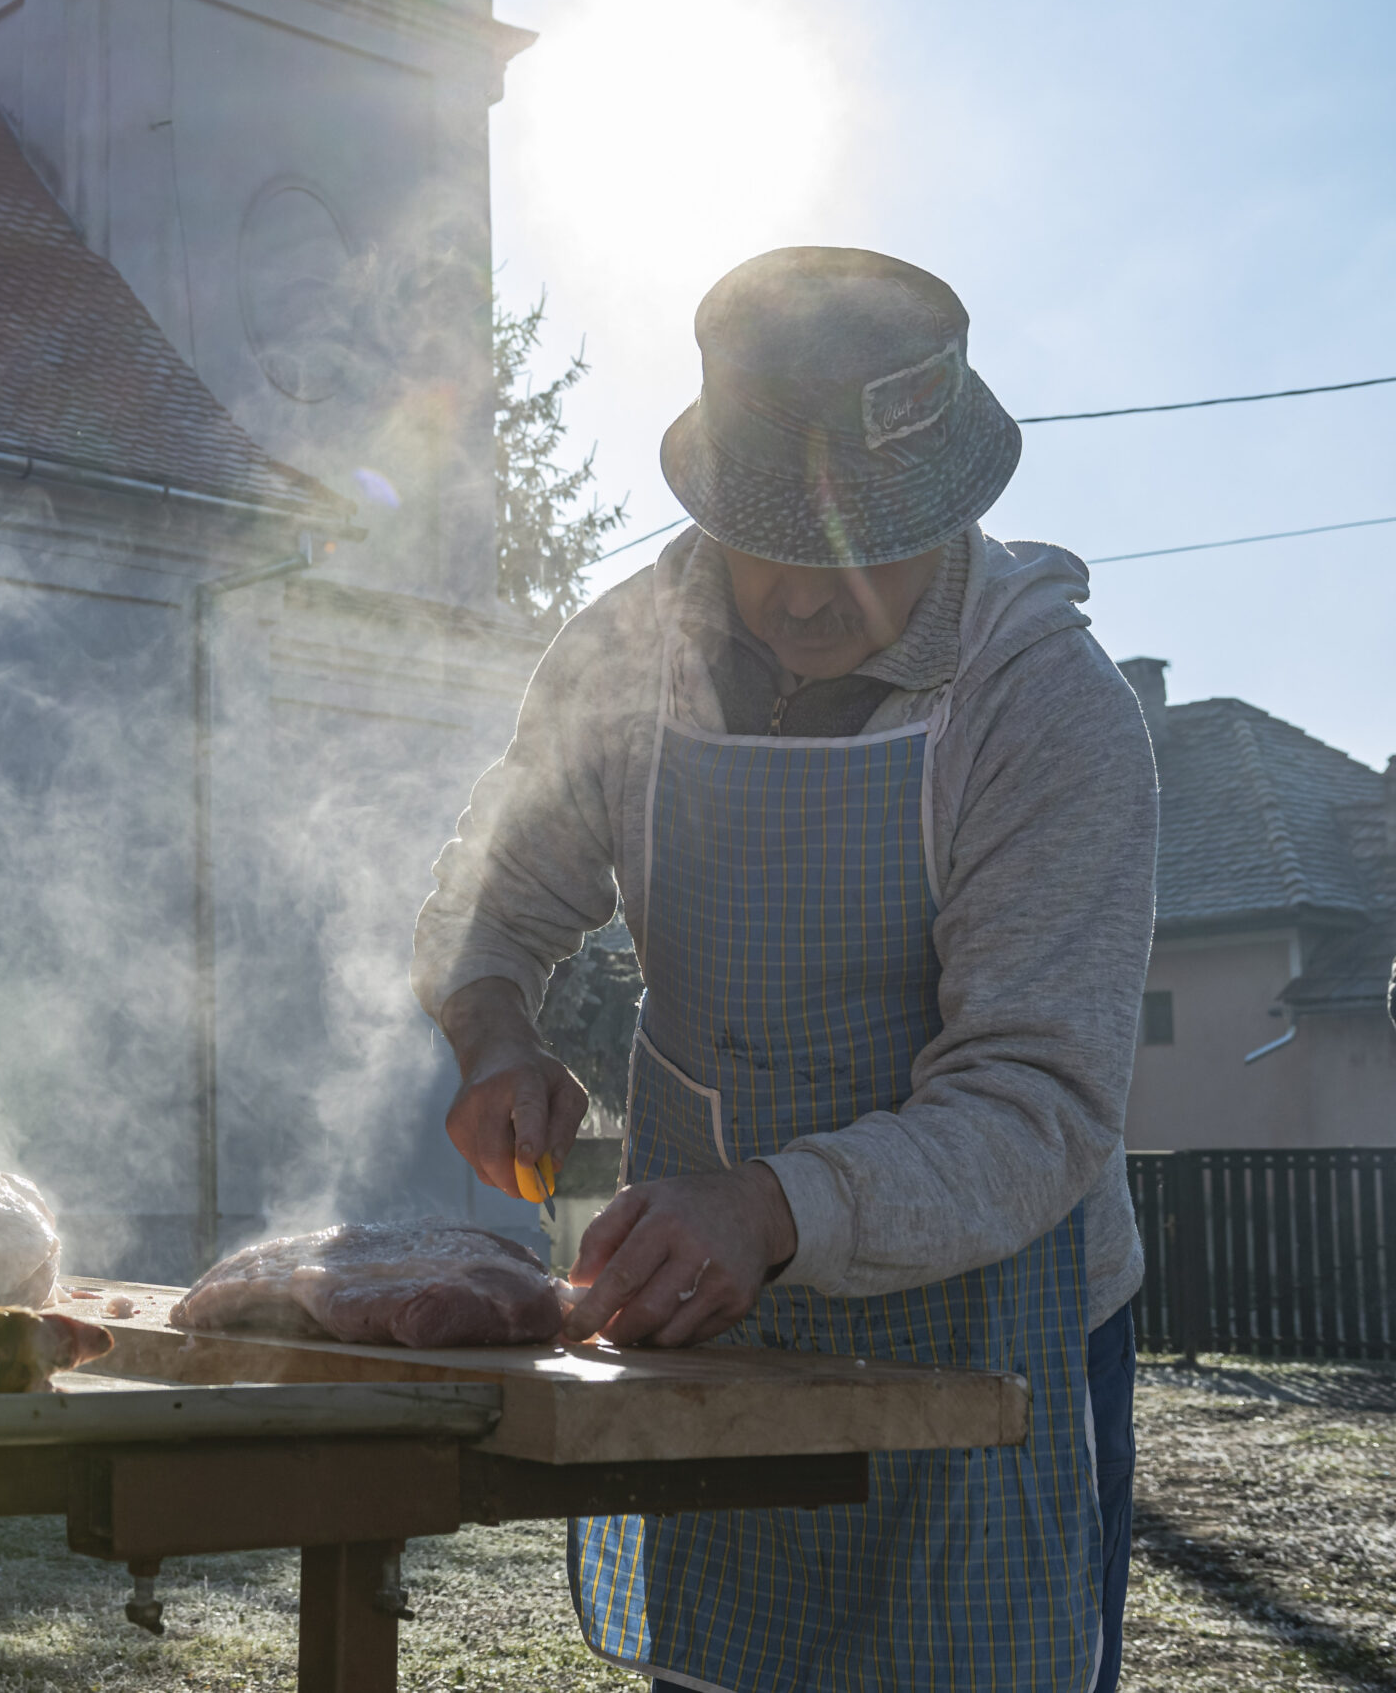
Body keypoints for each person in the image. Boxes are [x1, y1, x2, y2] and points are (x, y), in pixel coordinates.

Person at [412, 246, 1152, 1692]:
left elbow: (1037, 1104)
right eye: (774, 543)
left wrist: (769, 1208)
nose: (808, 600)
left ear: (952, 510)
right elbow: (486, 907)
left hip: (991, 1331)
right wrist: (496, 1034)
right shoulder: (623, 656)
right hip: (708, 1330)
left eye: (860, 549)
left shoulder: (1048, 706)